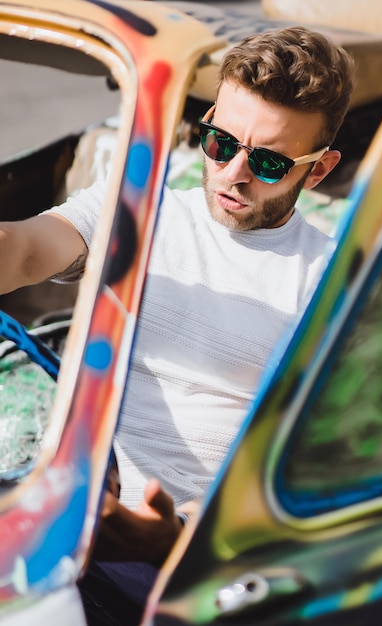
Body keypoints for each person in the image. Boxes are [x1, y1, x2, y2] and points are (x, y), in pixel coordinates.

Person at [0, 26, 355, 625]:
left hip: (212, 569)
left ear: (317, 172)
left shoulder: (332, 281)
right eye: (220, 142)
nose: (234, 174)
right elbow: (22, 250)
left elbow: (320, 485)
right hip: (65, 525)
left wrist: (179, 538)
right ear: (208, 119)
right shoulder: (136, 211)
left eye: (268, 162)